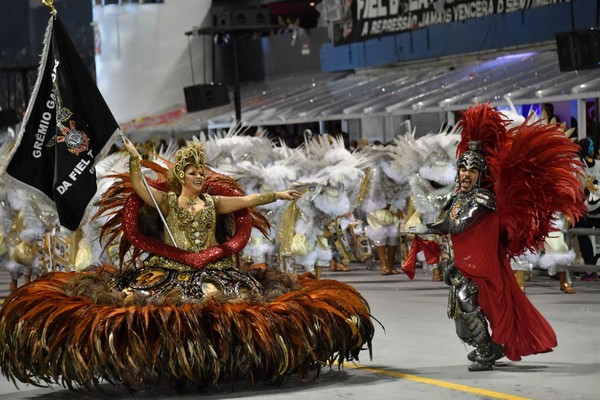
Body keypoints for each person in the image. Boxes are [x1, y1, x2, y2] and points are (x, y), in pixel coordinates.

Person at [405, 103, 585, 372]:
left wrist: (427, 228)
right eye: (463, 170)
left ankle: (488, 350)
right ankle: (484, 345)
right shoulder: (458, 196)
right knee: (462, 315)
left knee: (468, 302)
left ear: (480, 175)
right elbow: (440, 208)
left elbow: (457, 224)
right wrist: (420, 192)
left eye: (472, 171)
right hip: (464, 264)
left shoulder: (483, 199)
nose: (466, 175)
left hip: (483, 267)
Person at [121, 137, 300, 299]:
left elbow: (246, 200)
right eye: (193, 173)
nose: (199, 177)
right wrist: (135, 158)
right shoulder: (167, 202)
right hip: (170, 267)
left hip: (212, 267)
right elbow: (139, 185)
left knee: (236, 298)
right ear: (181, 176)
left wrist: (277, 195)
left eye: (201, 173)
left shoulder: (213, 203)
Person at [574, 137, 600, 281]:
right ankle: (590, 270)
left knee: (582, 234)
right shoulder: (578, 166)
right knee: (581, 234)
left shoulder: (578, 166)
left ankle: (590, 270)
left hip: (589, 207)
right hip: (586, 208)